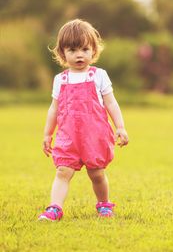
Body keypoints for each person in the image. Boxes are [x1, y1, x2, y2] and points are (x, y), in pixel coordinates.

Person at [38, 19, 129, 221]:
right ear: (62, 53)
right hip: (68, 137)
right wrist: (47, 133)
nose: (79, 54)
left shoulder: (98, 75)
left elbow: (111, 103)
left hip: (93, 137)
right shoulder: (60, 80)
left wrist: (120, 127)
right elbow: (54, 109)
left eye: (84, 49)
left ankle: (104, 204)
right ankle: (55, 208)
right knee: (62, 171)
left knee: (96, 174)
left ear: (93, 51)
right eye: (72, 50)